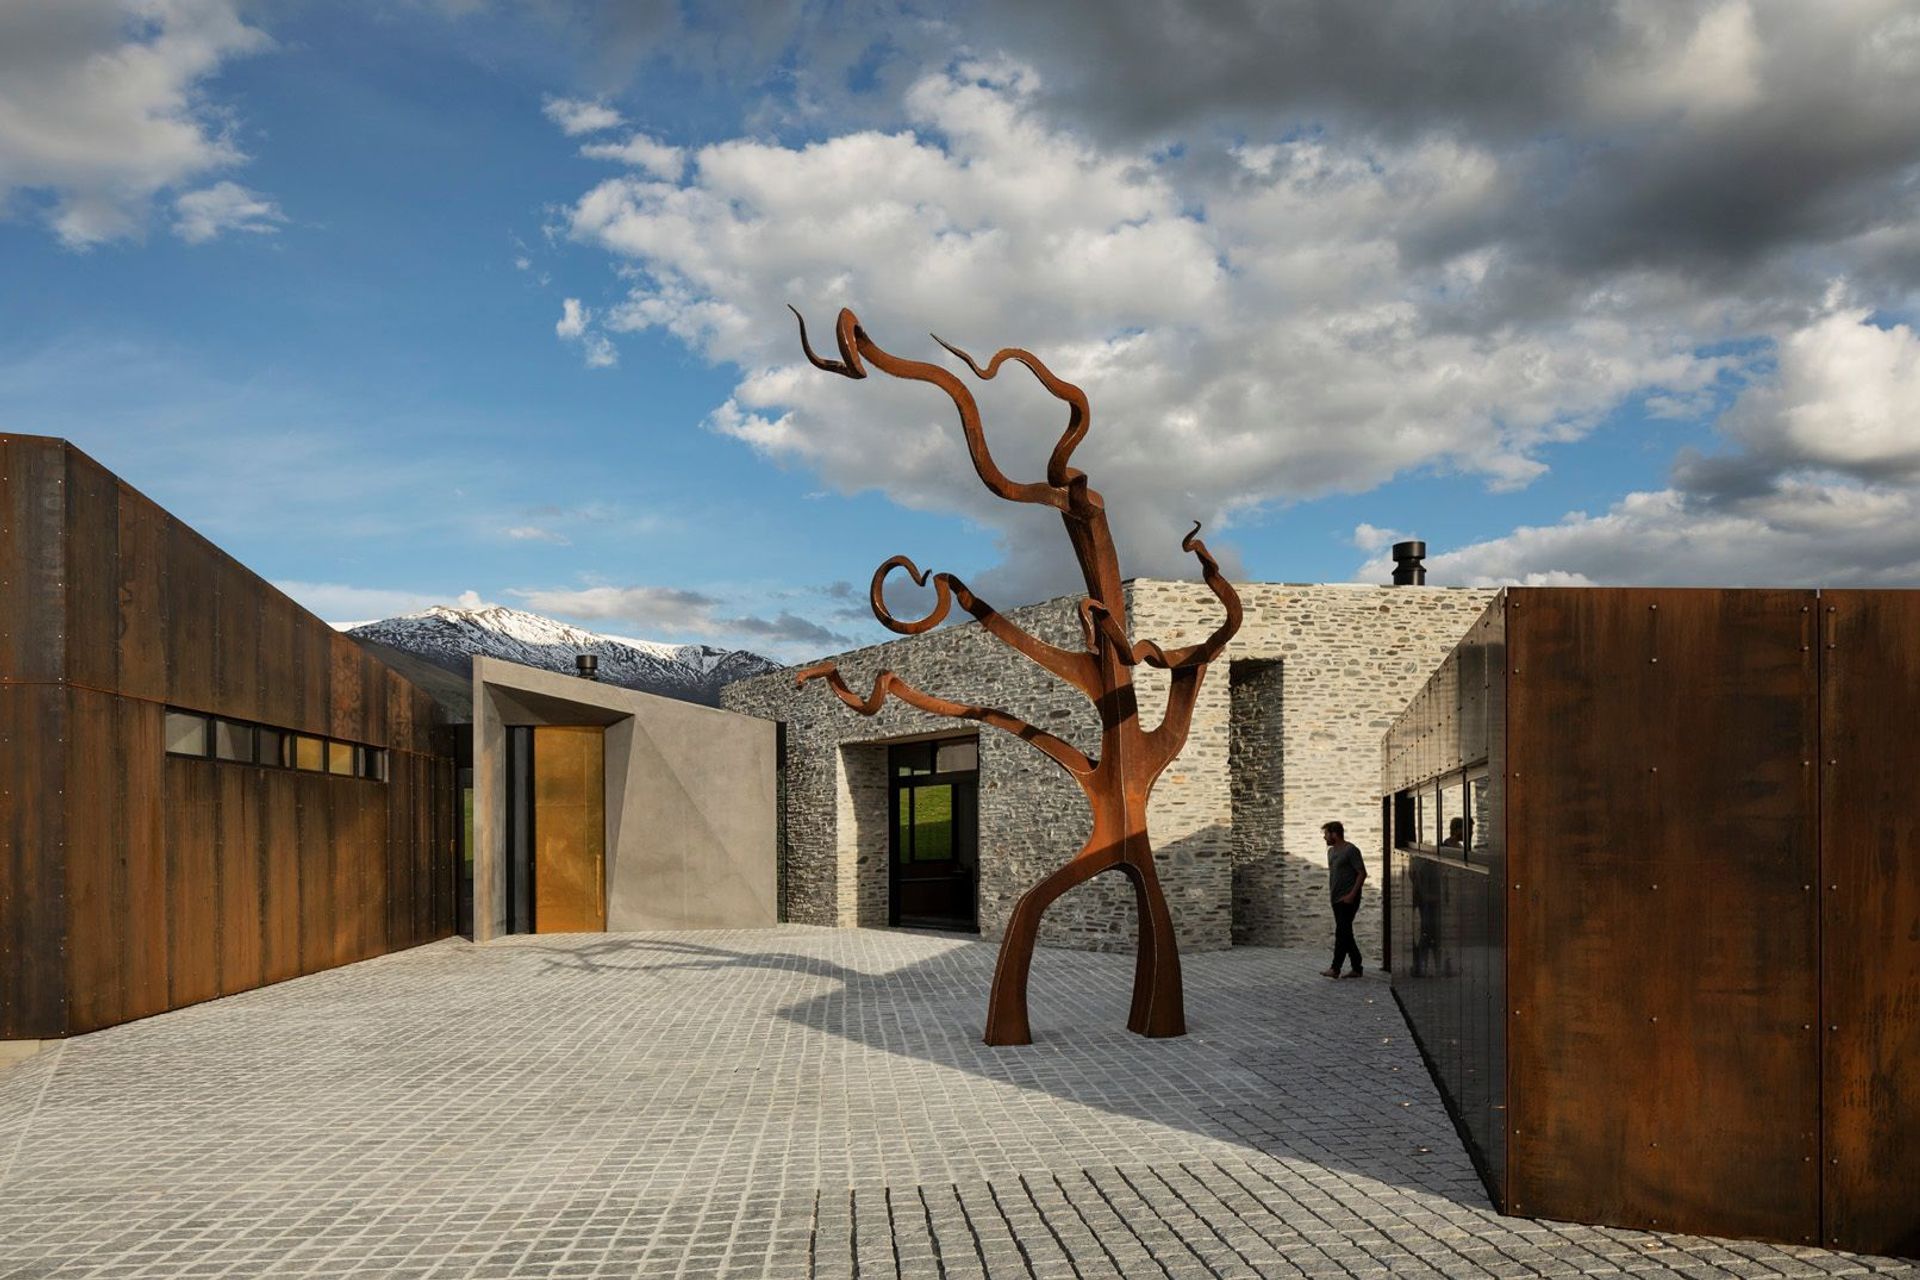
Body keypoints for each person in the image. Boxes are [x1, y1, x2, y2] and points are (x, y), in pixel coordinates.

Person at [1321, 820, 1367, 978]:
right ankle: (1357, 966)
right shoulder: (1331, 852)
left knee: (1341, 933)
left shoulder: (1351, 850)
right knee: (1346, 933)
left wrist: (1352, 895)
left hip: (1348, 899)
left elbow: (1361, 873)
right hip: (1335, 898)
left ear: (1335, 834)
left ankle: (1335, 968)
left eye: (1326, 834)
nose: (1324, 837)